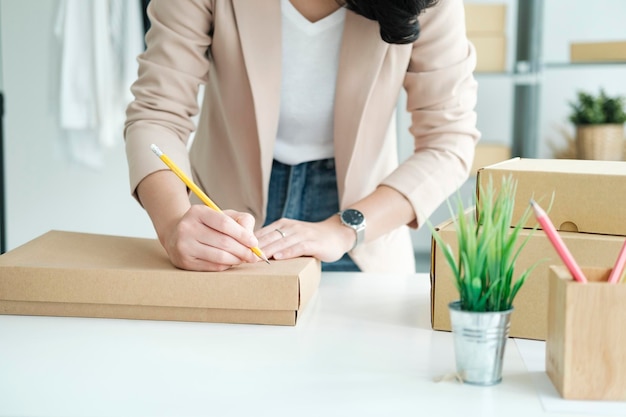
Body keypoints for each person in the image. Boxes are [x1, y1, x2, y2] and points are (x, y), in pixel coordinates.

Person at [124, 0, 480, 273]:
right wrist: (172, 223)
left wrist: (346, 228)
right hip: (226, 222)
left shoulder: (430, 4)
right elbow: (158, 112)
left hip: (364, 229)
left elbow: (448, 140)